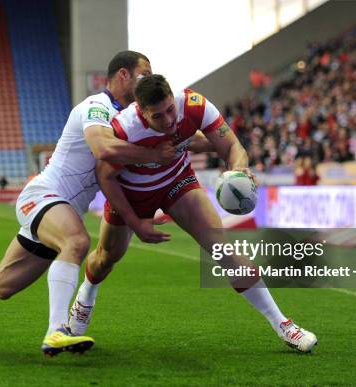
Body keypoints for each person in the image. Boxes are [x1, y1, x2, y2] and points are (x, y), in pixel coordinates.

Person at [0, 51, 181, 357]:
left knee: (0, 285)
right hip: (44, 196)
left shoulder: (133, 121)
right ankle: (57, 331)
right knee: (77, 241)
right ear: (123, 75)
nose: (148, 81)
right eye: (143, 74)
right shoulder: (96, 106)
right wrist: (154, 156)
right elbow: (102, 147)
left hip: (59, 212)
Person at [68, 75, 318, 353]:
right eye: (158, 116)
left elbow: (233, 147)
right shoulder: (124, 129)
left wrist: (238, 170)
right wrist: (135, 221)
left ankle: (282, 324)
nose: (168, 120)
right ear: (141, 111)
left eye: (169, 110)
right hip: (131, 194)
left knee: (223, 250)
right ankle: (86, 295)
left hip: (178, 183)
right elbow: (106, 177)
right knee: (106, 258)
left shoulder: (193, 104)